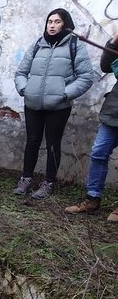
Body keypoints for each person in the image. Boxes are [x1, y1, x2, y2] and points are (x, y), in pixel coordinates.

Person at [13, 8, 94, 199]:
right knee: (32, 141)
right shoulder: (37, 45)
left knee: (52, 144)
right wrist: (25, 89)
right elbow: (20, 73)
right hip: (33, 103)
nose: (52, 25)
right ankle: (26, 179)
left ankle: (49, 182)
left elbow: (86, 77)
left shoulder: (75, 46)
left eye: (57, 22)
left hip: (58, 106)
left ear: (65, 24)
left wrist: (64, 94)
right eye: (50, 21)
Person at [65, 31, 118, 222]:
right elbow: (106, 66)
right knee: (98, 152)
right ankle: (92, 198)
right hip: (114, 111)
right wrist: (113, 41)